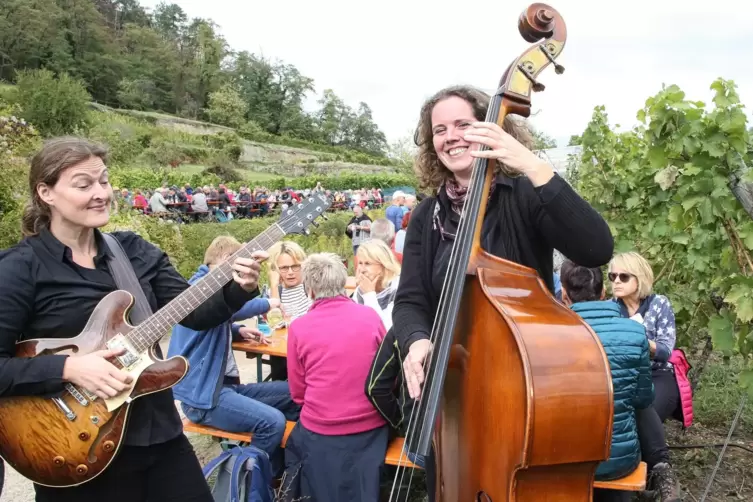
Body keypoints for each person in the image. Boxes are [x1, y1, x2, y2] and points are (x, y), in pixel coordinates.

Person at [0, 137, 266, 502]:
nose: (100, 193)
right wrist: (69, 369)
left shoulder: (133, 251)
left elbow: (195, 315)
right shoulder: (19, 268)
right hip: (75, 448)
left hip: (158, 435)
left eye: (104, 181)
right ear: (46, 192)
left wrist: (238, 287)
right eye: (84, 184)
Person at [389, 85, 614, 497]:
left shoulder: (524, 195)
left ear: (492, 130)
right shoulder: (425, 215)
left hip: (517, 391)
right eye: (439, 129)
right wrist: (417, 340)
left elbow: (596, 248)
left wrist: (531, 165)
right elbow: (411, 299)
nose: (450, 136)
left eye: (463, 124)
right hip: (454, 390)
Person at [167, 235, 300, 474]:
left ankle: (281, 474)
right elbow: (236, 306)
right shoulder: (198, 291)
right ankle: (246, 483)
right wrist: (269, 302)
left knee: (294, 393)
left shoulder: (209, 291)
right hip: (203, 400)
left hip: (224, 389)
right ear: (229, 262)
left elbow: (215, 322)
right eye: (241, 266)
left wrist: (237, 332)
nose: (245, 274)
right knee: (272, 422)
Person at [281, 253, 388, 502]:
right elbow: (387, 374)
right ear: (343, 283)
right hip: (371, 426)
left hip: (322, 427)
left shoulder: (299, 327)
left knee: (294, 442)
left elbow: (297, 393)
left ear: (309, 288)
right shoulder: (370, 317)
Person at [558, 260, 655, 502]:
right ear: (603, 292)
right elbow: (644, 398)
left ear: (564, 294)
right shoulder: (635, 333)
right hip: (619, 461)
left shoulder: (549, 333)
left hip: (562, 461)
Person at [352, 239, 401, 331]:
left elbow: (384, 330)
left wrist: (369, 295)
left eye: (367, 264)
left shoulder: (397, 287)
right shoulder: (362, 289)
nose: (362, 270)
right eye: (360, 263)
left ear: (383, 265)